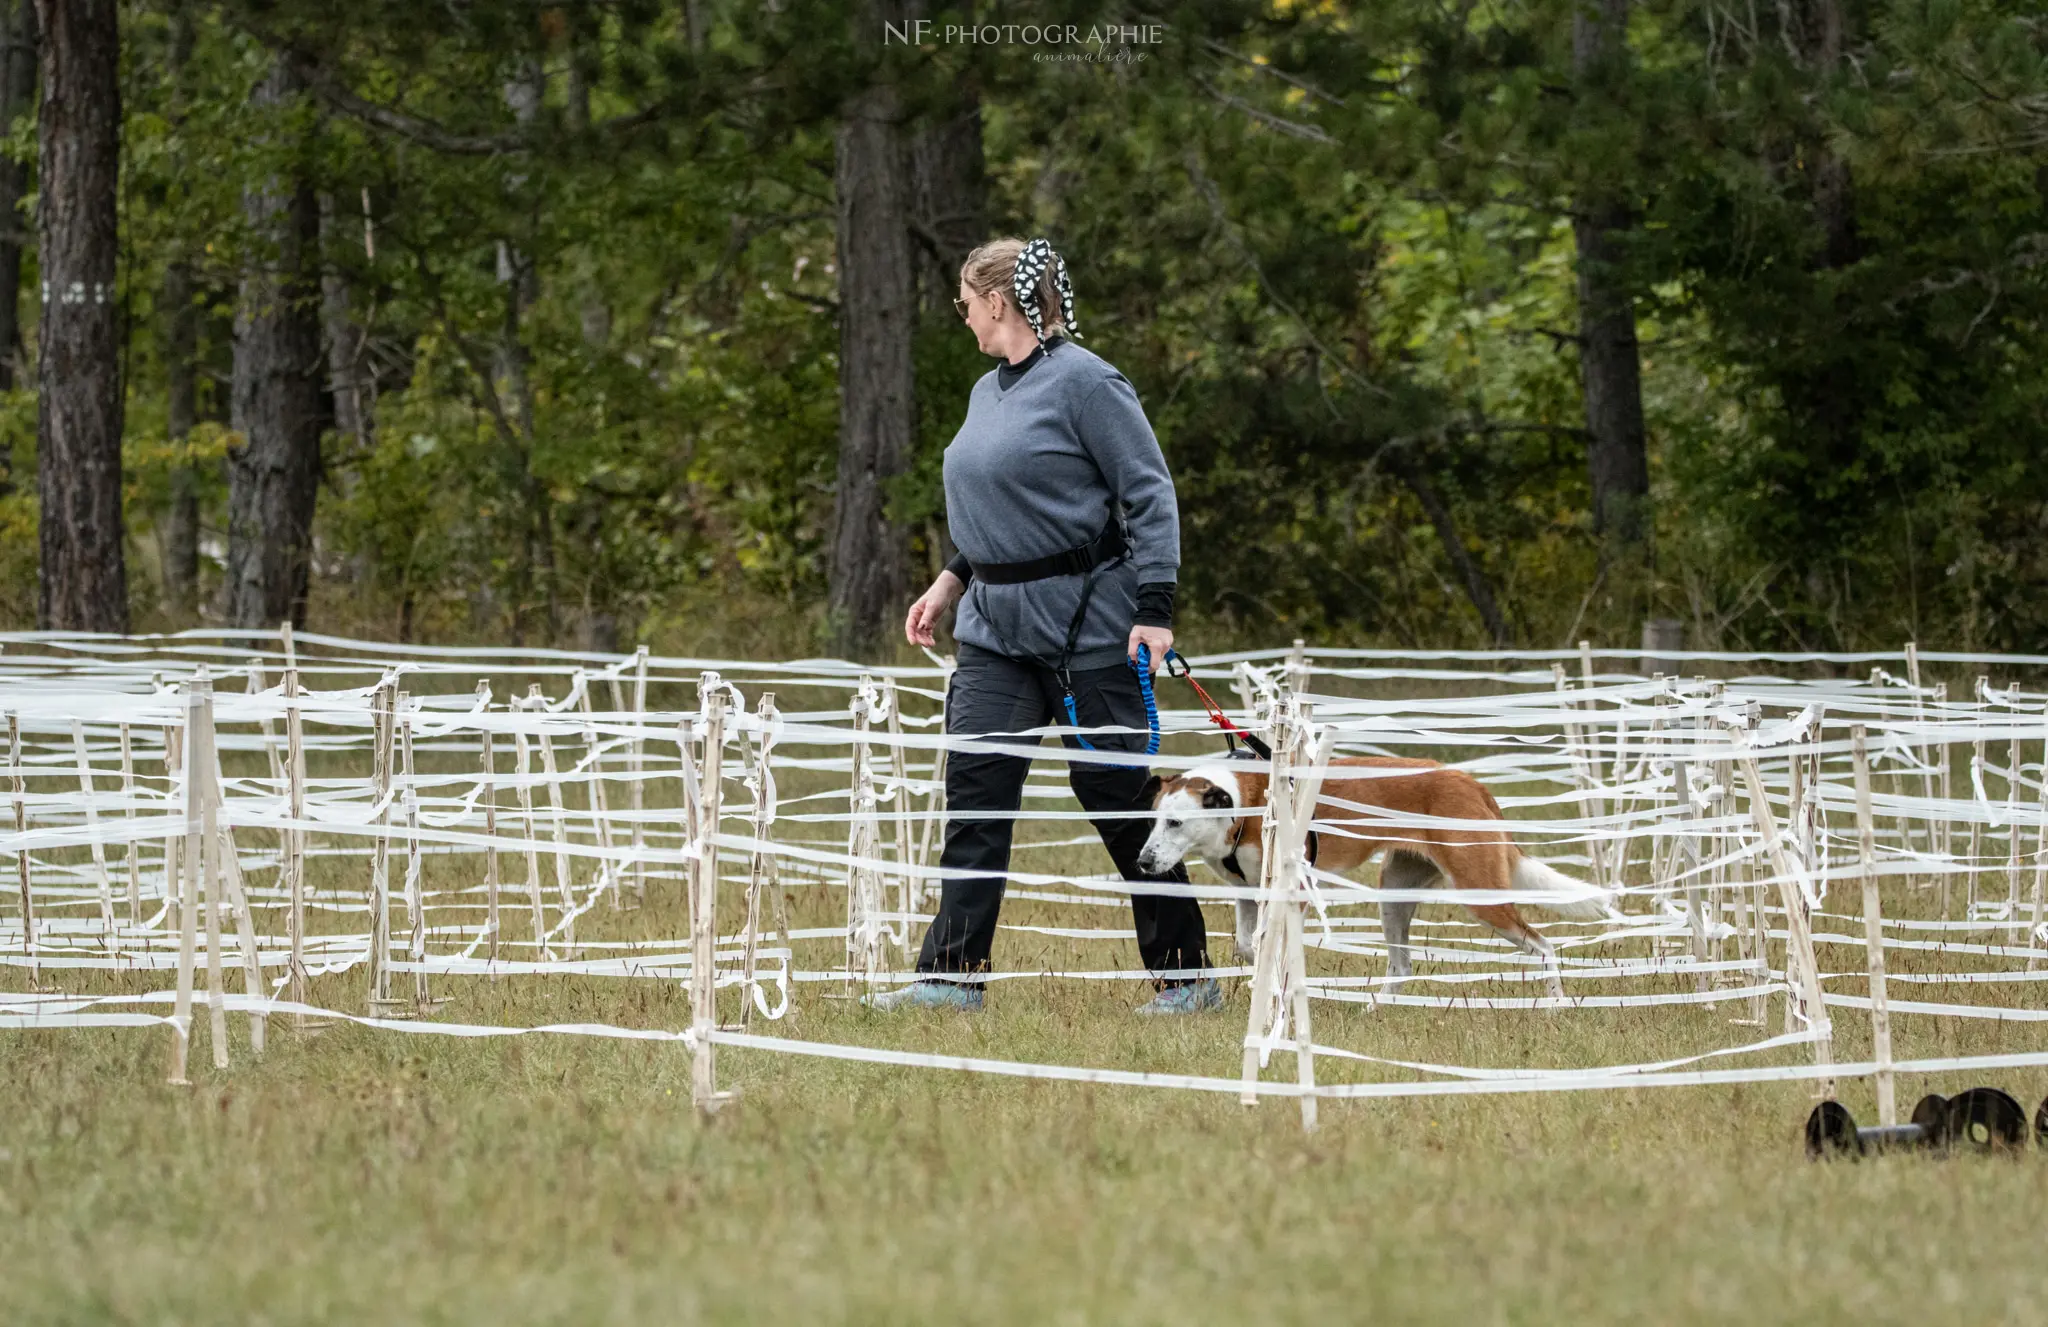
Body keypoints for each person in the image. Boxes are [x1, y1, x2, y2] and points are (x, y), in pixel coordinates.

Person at [864, 236, 1219, 1016]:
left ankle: (1187, 977)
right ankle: (950, 978)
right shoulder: (986, 392)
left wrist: (1154, 608)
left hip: (1089, 628)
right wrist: (951, 579)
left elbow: (1150, 495)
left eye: (965, 303)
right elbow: (1003, 507)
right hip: (993, 630)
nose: (962, 317)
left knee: (1118, 794)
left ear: (998, 301)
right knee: (977, 794)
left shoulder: (1090, 384)